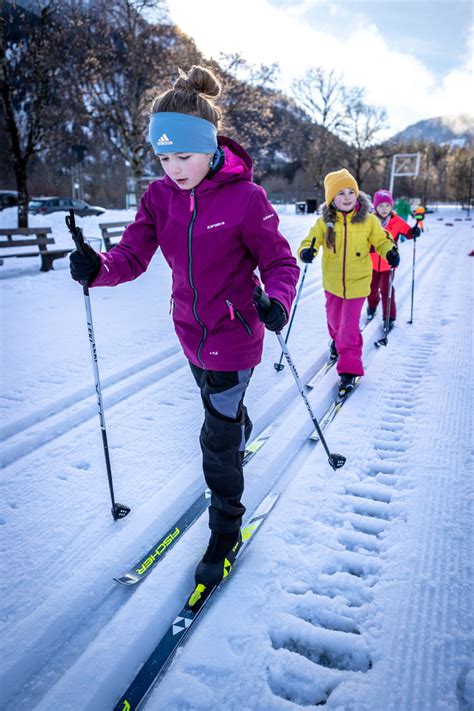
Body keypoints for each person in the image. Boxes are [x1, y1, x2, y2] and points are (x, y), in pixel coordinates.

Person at [69, 65, 299, 589]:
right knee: (218, 411)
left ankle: (225, 530)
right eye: (164, 157)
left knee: (215, 443)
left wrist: (278, 301)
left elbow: (281, 264)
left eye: (184, 156)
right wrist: (97, 267)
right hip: (189, 333)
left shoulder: (247, 199)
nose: (174, 168)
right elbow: (131, 254)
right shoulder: (159, 198)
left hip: (236, 336)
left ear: (211, 145)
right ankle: (233, 421)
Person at [297, 169, 398, 397]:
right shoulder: (324, 222)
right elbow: (309, 240)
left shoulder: (369, 221)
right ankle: (336, 341)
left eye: (351, 191)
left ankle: (350, 369)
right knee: (334, 322)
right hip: (332, 283)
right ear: (332, 198)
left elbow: (381, 240)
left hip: (358, 283)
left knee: (349, 328)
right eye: (340, 193)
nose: (347, 197)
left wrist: (389, 251)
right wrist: (307, 251)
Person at [367, 189, 420, 328]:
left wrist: (413, 232)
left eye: (387, 206)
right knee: (371, 289)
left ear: (391, 206)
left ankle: (389, 316)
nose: (384, 209)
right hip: (371, 263)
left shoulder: (396, 221)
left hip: (389, 263)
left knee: (387, 289)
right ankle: (372, 306)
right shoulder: (370, 221)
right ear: (375, 207)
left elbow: (407, 231)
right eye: (381, 206)